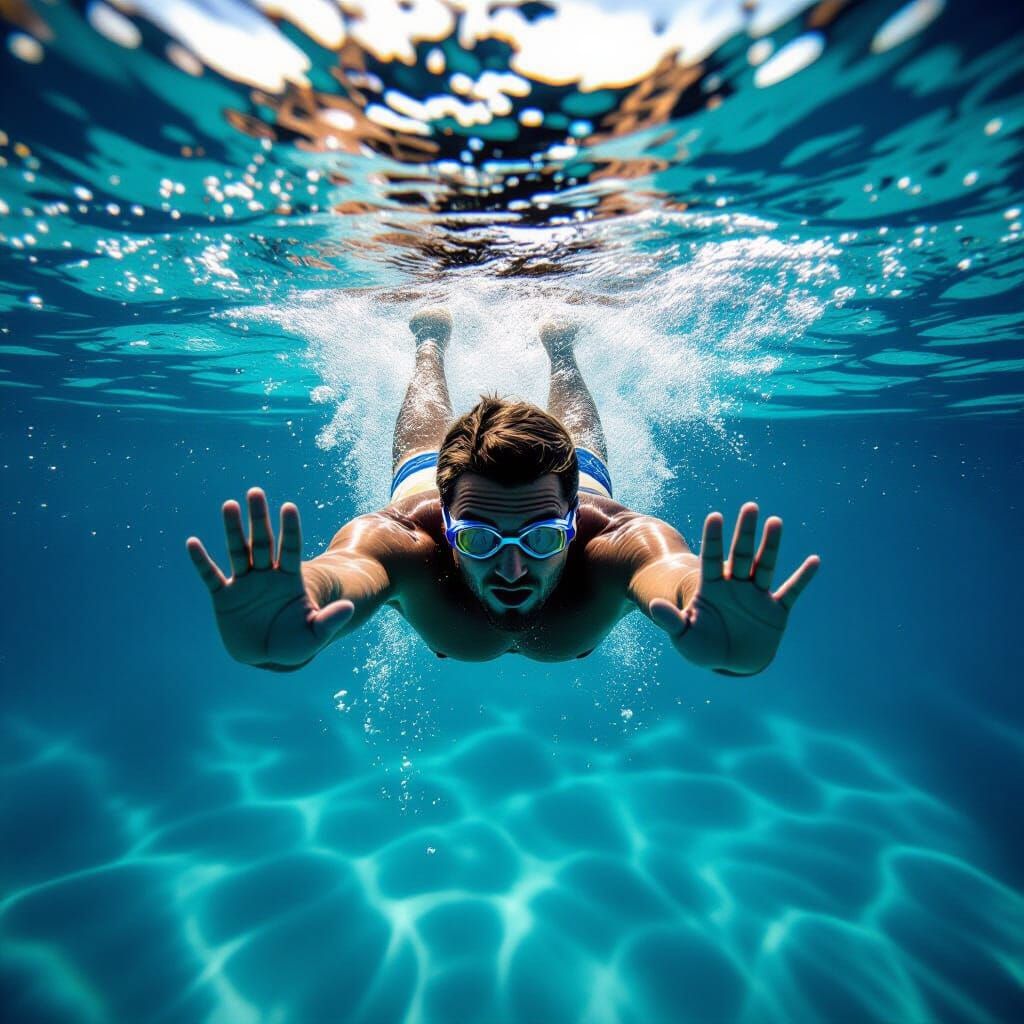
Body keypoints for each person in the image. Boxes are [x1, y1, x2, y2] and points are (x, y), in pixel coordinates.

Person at [187, 309, 819, 673]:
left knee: (580, 449)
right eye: (480, 540)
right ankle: (429, 344)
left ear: (571, 520)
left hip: (555, 494)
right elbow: (346, 569)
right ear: (447, 525)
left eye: (542, 538)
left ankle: (562, 350)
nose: (512, 568)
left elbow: (672, 571)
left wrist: (704, 610)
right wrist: (308, 595)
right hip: (437, 491)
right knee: (420, 458)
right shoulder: (406, 542)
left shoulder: (614, 543)